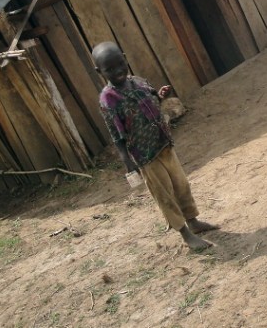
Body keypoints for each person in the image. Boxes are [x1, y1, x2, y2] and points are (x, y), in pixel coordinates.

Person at [92, 42, 218, 251]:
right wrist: (127, 161)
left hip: (164, 143)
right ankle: (185, 234)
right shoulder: (108, 99)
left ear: (125, 58)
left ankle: (193, 221)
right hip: (145, 155)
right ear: (99, 72)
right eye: (110, 69)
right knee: (165, 194)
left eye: (120, 64)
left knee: (181, 185)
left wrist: (160, 96)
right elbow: (116, 135)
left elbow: (152, 101)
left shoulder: (137, 81)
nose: (118, 71)